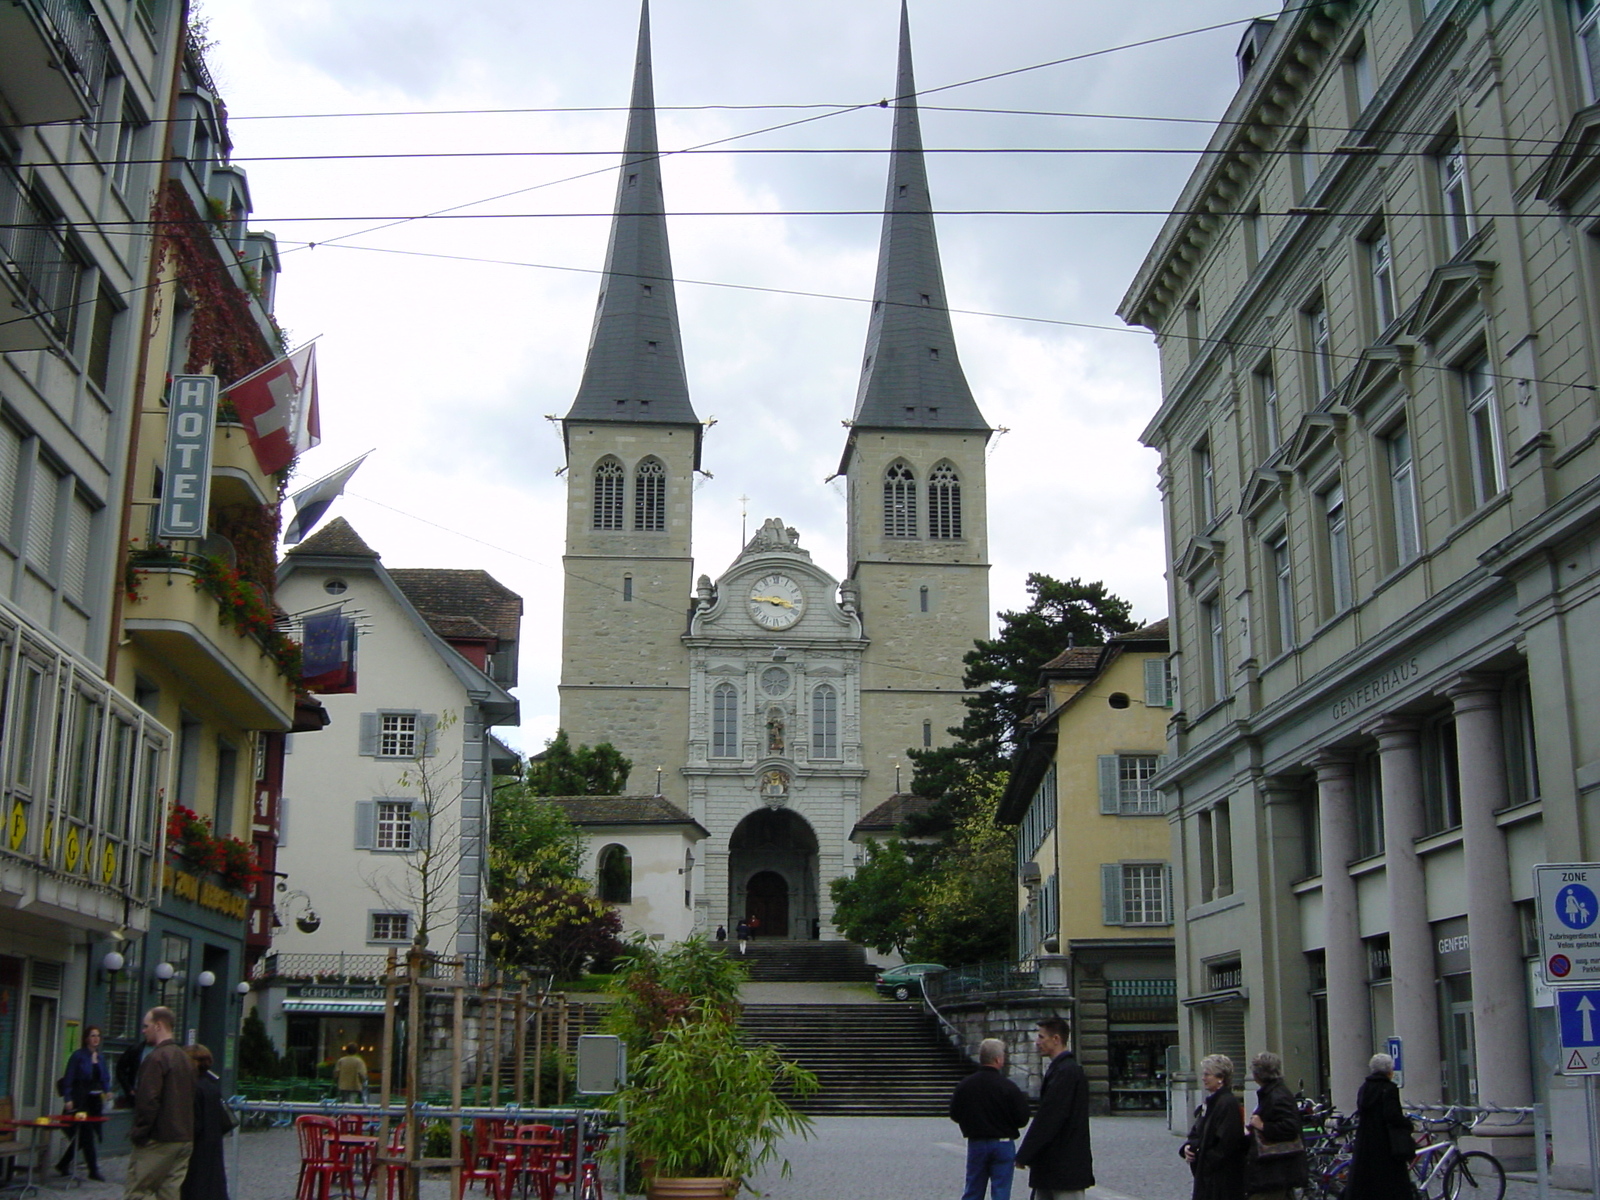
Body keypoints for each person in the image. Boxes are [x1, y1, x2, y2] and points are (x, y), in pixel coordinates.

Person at [1014, 1017, 1094, 1199]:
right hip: (1054, 1165)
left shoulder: (1066, 1072)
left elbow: (1050, 1117)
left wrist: (1026, 1153)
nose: (1037, 1042)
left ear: (1056, 1039)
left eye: (1042, 1037)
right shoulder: (1062, 1070)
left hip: (1063, 1165)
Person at [126, 1006, 196, 1200]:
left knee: (138, 1191)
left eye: (146, 1026)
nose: (143, 1030)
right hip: (183, 1137)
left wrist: (139, 1133)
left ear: (158, 1026)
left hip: (159, 1138)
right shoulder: (186, 1059)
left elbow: (148, 1101)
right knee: (170, 1191)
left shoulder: (156, 1058)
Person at [948, 1038, 1030, 1200]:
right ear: (998, 1059)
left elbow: (955, 1114)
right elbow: (1022, 1118)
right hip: (1003, 1143)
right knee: (1001, 1191)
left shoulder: (965, 1085)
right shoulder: (1008, 1087)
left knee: (973, 1189)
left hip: (976, 1142)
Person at [1345, 1053, 1414, 1200]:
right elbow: (1392, 1115)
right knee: (1390, 1182)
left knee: (1366, 1180)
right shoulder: (1389, 1088)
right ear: (1389, 1071)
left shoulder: (1364, 1087)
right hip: (1385, 1141)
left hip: (1365, 1140)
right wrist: (1407, 1124)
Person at [1180, 1053, 1246, 1200]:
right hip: (1209, 1176)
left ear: (1220, 1078)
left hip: (1220, 1179)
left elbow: (1227, 1143)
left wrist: (1205, 1161)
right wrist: (1188, 1147)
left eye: (1207, 1074)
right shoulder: (1211, 1103)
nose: (1203, 1078)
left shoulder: (1226, 1104)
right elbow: (1197, 1132)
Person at [1244, 1051, 1305, 1200]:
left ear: (1258, 1074)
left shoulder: (1276, 1095)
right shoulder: (1273, 1092)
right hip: (1276, 1171)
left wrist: (1262, 1126)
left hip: (1275, 1171)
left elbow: (1289, 1128)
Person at [56, 1025, 113, 1180]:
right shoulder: (78, 1056)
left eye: (98, 1036)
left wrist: (107, 1091)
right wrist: (68, 1099)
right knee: (86, 1135)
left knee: (84, 1137)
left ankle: (62, 1164)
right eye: (93, 1035)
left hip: (94, 1101)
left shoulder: (100, 1057)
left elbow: (104, 1078)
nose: (96, 1039)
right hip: (81, 1100)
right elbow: (69, 1078)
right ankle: (93, 1170)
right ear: (86, 1038)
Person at [180, 1045, 233, 1200]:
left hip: (196, 1149)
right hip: (213, 1145)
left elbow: (193, 1122)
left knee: (195, 1188)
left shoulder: (192, 1088)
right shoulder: (211, 1086)